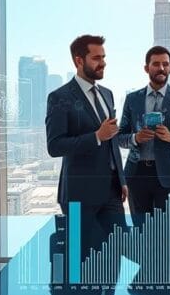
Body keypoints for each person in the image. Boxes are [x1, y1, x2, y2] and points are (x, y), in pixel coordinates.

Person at [45, 35, 128, 260]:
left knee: (114, 256)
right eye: (96, 58)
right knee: (80, 261)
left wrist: (121, 180)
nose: (102, 63)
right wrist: (96, 136)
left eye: (104, 57)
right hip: (78, 195)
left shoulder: (107, 94)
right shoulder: (59, 97)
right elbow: (54, 146)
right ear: (78, 61)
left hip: (111, 192)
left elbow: (111, 140)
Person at [117, 45, 170, 228]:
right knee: (141, 230)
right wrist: (135, 138)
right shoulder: (132, 99)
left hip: (168, 175)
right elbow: (119, 137)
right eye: (156, 64)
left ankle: (169, 258)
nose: (161, 68)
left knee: (169, 231)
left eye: (165, 64)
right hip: (136, 174)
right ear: (147, 68)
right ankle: (146, 257)